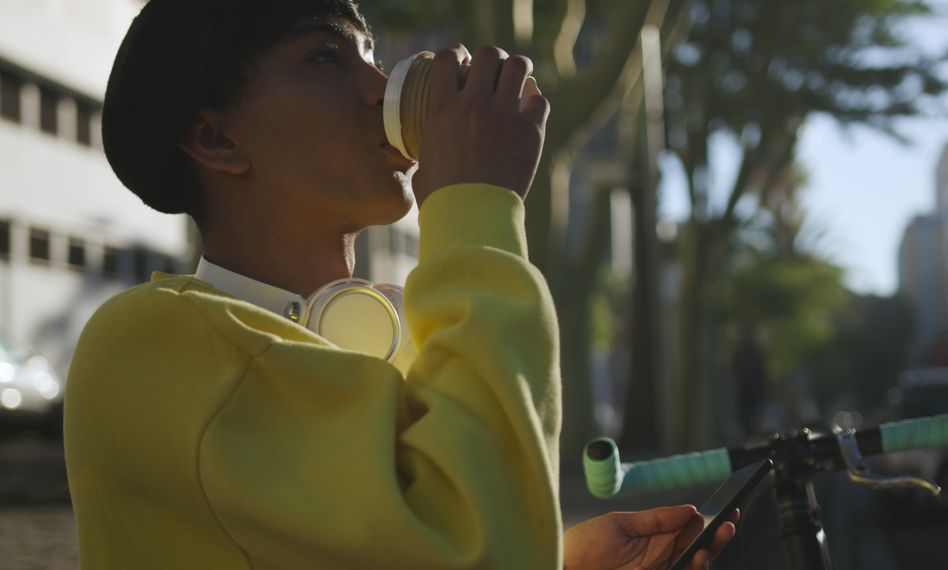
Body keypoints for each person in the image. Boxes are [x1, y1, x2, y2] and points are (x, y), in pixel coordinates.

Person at [63, 1, 737, 568]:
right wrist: (474, 205)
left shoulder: (409, 340)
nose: (379, 85)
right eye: (326, 57)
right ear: (215, 139)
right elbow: (470, 551)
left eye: (370, 55)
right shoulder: (145, 343)